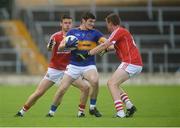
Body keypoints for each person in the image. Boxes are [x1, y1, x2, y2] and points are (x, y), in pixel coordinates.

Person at [15, 14, 90, 117]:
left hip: (69, 70)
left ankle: (80, 113)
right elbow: (49, 48)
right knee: (39, 92)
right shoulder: (56, 36)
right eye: (65, 23)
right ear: (61, 24)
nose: (67, 25)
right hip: (55, 69)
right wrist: (50, 45)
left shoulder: (75, 37)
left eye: (69, 23)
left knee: (85, 87)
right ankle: (22, 112)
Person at [79, 13, 143, 118]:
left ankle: (120, 112)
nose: (106, 26)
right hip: (134, 63)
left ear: (111, 23)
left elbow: (105, 44)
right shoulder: (122, 31)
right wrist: (105, 50)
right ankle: (129, 106)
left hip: (131, 62)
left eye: (107, 23)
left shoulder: (117, 31)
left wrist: (88, 53)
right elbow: (112, 47)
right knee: (115, 84)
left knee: (111, 83)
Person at [46, 12, 106, 117]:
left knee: (95, 81)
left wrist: (103, 48)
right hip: (73, 65)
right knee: (62, 89)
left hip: (88, 65)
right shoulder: (72, 32)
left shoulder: (96, 33)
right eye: (90, 21)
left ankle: (90, 108)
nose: (92, 24)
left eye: (93, 22)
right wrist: (68, 45)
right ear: (83, 20)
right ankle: (51, 112)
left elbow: (107, 44)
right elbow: (60, 47)